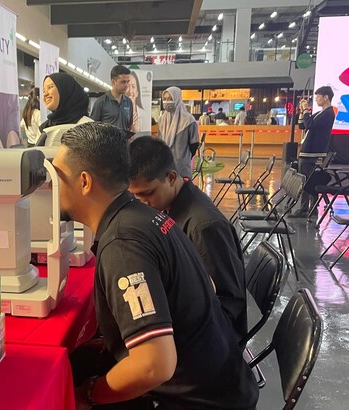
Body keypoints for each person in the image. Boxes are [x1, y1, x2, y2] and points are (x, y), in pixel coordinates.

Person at [55, 122, 258, 409]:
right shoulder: (144, 217)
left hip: (196, 399)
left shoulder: (123, 242)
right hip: (219, 378)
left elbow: (154, 365)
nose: (51, 186)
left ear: (85, 182)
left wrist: (89, 394)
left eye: (58, 176)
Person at [128, 136, 247, 342]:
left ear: (172, 177)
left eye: (147, 193)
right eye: (135, 197)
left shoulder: (204, 227)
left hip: (214, 338)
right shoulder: (172, 205)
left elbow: (228, 305)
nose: (143, 203)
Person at [290, 86, 336, 218]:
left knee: (310, 182)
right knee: (306, 180)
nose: (316, 100)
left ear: (326, 97)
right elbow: (303, 125)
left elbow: (309, 124)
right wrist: (302, 111)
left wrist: (305, 110)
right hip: (307, 152)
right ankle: (306, 209)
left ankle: (309, 209)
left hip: (313, 154)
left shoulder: (328, 113)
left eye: (318, 97)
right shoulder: (320, 113)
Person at [36, 72, 92, 146]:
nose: (45, 94)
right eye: (44, 91)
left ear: (65, 89)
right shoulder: (43, 129)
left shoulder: (87, 126)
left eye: (50, 87)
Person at [158, 86, 199, 178]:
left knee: (183, 190)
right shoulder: (162, 119)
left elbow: (194, 144)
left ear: (177, 99)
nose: (167, 102)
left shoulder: (188, 120)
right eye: (164, 99)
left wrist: (184, 157)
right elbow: (159, 142)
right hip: (165, 165)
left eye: (170, 99)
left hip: (182, 166)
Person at [90, 65, 133, 131]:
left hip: (124, 141)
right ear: (113, 82)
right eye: (123, 82)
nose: (127, 85)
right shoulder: (101, 102)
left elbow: (129, 126)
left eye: (128, 82)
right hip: (106, 141)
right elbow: (92, 128)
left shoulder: (129, 102)